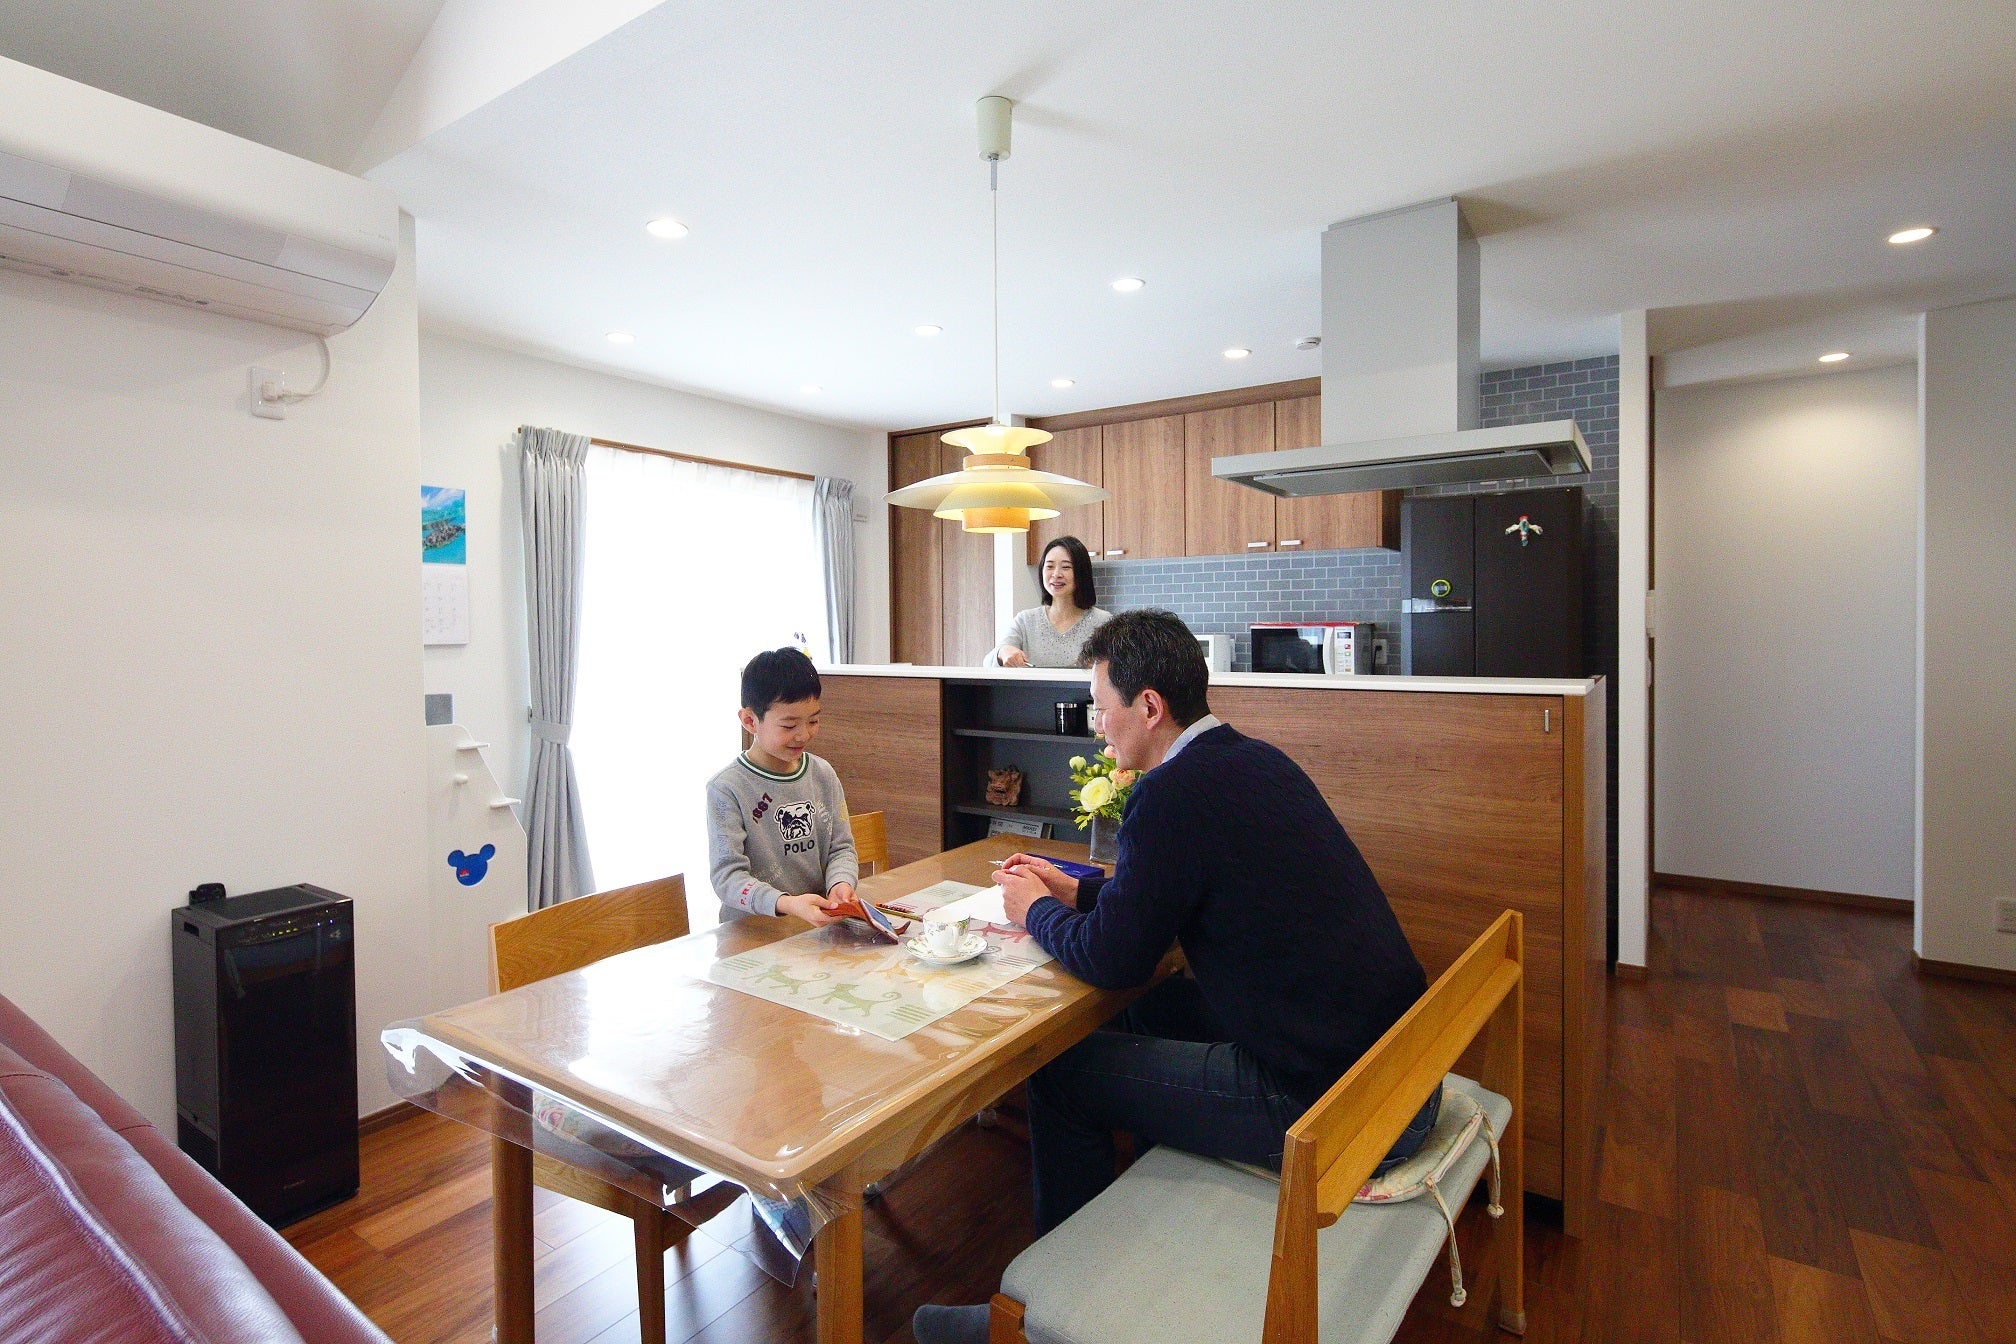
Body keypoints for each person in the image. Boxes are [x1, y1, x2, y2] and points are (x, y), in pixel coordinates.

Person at [912, 610, 1437, 1344]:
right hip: (1393, 1063)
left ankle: (1047, 1314)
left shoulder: (1169, 795)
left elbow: (1112, 959)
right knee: (1141, 1011)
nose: (1097, 725)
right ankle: (1123, 1232)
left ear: (1150, 706)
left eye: (1102, 707)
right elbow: (1163, 895)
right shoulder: (1254, 761)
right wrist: (1074, 890)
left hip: (1333, 1105)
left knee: (1060, 1074)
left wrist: (1033, 909)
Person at [705, 647, 857, 925]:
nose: (803, 734)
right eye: (789, 726)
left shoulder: (822, 774)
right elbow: (727, 877)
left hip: (814, 927)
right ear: (750, 721)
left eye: (813, 721)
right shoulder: (727, 788)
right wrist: (786, 904)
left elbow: (841, 848)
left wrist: (840, 883)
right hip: (753, 931)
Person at [993, 535, 1113, 668]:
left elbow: (1122, 669)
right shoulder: (1026, 620)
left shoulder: (1104, 622)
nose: (1056, 574)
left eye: (1066, 567)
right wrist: (1002, 652)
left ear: (1082, 573)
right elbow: (989, 662)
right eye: (1050, 566)